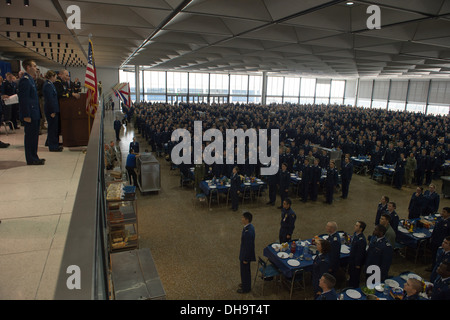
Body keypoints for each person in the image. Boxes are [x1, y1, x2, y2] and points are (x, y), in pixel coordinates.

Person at [18, 59, 45, 165]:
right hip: (30, 114)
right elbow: (24, 99)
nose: (36, 68)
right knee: (30, 137)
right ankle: (30, 158)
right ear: (28, 67)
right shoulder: (25, 80)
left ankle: (34, 156)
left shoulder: (30, 79)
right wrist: (26, 115)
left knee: (34, 137)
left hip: (35, 112)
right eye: (34, 66)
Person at [42, 70, 63, 152]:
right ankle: (53, 146)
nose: (55, 79)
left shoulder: (51, 84)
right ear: (51, 77)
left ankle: (55, 143)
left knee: (54, 128)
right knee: (52, 129)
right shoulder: (47, 85)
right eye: (54, 77)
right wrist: (52, 111)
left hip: (54, 109)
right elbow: (50, 99)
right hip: (51, 110)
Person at [238, 211, 255, 294]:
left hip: (245, 255)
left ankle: (246, 288)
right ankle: (245, 283)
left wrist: (246, 258)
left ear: (247, 220)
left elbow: (249, 247)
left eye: (243, 218)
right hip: (244, 252)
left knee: (245, 272)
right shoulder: (248, 227)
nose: (242, 219)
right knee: (244, 271)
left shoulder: (249, 232)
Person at [428, 207, 450, 273]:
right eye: (442, 211)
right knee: (434, 255)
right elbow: (435, 229)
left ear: (449, 214)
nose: (442, 213)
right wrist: (432, 237)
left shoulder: (449, 223)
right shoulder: (440, 219)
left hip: (441, 243)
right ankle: (433, 267)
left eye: (444, 212)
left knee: (439, 258)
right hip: (435, 240)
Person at [347, 221, 367, 288]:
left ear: (361, 229)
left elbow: (360, 253)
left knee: (355, 277)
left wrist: (358, 264)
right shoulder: (355, 234)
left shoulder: (361, 240)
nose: (354, 226)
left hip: (356, 263)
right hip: (352, 259)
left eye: (356, 225)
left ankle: (354, 287)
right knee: (351, 274)